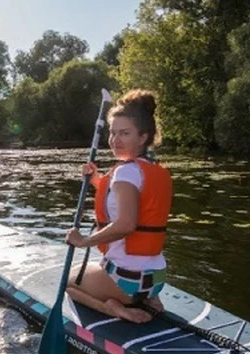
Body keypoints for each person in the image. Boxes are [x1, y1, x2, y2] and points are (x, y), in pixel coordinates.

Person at [65, 89, 173, 323]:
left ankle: (115, 309)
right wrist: (96, 180)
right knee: (102, 266)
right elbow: (125, 200)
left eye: (124, 133)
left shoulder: (125, 172)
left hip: (128, 282)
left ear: (143, 137)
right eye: (113, 133)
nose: (115, 140)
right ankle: (146, 299)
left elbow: (126, 224)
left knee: (68, 281)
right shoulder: (151, 168)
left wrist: (83, 241)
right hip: (155, 280)